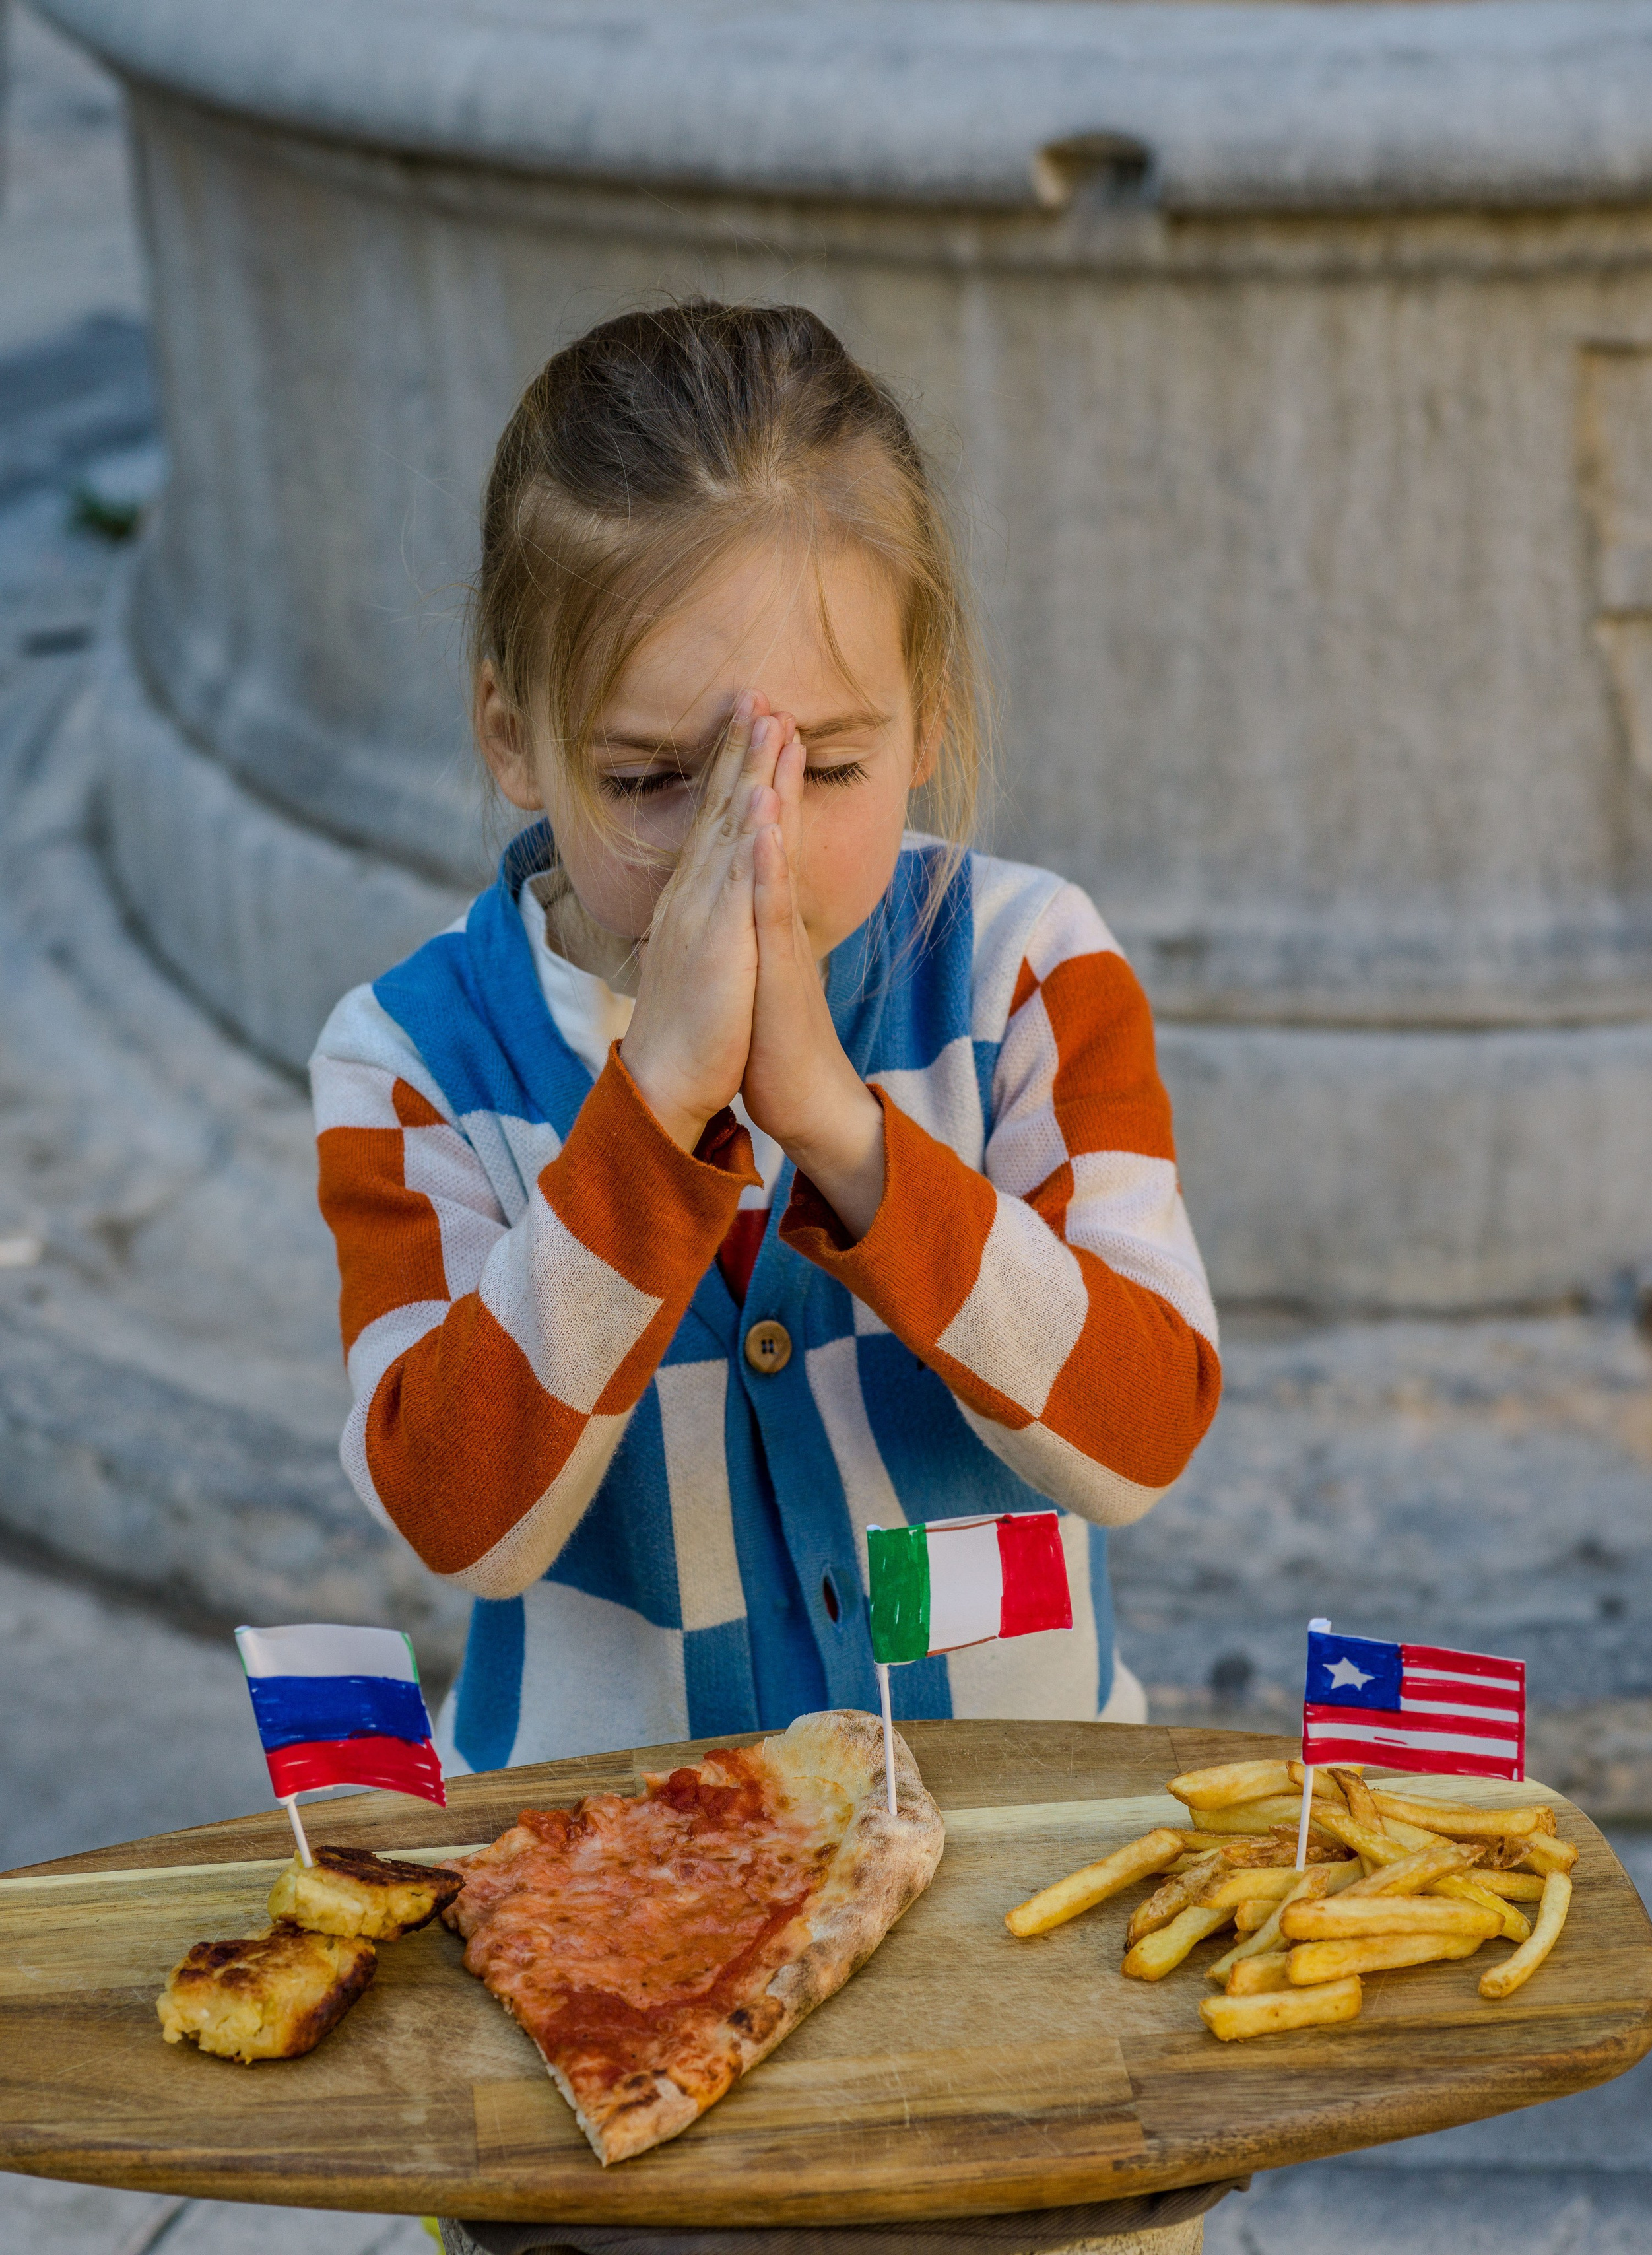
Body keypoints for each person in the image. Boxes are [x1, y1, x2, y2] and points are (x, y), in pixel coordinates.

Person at [310, 300, 1221, 1774]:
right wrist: (654, 1108)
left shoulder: (1025, 973)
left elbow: (1138, 1440)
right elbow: (460, 1522)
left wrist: (848, 1137)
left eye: (832, 764)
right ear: (512, 733)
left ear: (927, 723)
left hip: (1006, 1822)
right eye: (654, 777)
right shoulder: (411, 1058)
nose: (752, 848)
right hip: (611, 1870)